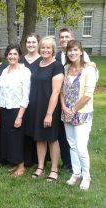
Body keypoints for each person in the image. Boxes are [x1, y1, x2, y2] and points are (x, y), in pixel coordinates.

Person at [25, 36, 64, 181]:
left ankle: (54, 169)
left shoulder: (57, 66)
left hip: (50, 108)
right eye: (43, 47)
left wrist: (49, 114)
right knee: (39, 138)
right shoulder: (37, 64)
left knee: (52, 138)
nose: (45, 50)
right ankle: (40, 166)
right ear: (39, 49)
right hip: (35, 108)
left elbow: (56, 91)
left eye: (48, 48)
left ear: (53, 50)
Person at [60, 40, 98, 191]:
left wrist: (73, 109)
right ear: (67, 53)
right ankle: (76, 173)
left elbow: (88, 95)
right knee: (72, 145)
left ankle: (86, 175)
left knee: (81, 147)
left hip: (81, 113)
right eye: (70, 51)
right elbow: (62, 91)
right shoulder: (66, 68)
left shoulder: (89, 70)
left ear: (81, 52)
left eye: (75, 50)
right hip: (67, 113)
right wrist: (64, 107)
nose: (72, 53)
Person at [55, 27, 91, 172]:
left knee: (78, 140)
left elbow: (89, 72)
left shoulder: (82, 55)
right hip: (63, 102)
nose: (64, 39)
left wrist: (92, 65)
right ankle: (67, 163)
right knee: (63, 135)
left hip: (79, 106)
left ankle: (82, 170)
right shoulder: (58, 55)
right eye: (61, 37)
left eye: (66, 37)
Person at [0, 44, 31, 176]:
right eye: (10, 54)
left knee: (17, 138)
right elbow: (1, 93)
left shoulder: (24, 71)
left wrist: (20, 116)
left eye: (15, 54)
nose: (12, 56)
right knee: (9, 138)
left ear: (19, 56)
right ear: (6, 56)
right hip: (5, 109)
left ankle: (21, 166)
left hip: (17, 110)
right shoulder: (5, 71)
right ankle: (15, 163)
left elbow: (26, 96)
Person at [19, 33, 42, 167]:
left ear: (38, 44)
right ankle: (25, 158)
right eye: (29, 42)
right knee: (24, 129)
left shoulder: (43, 60)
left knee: (36, 128)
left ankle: (38, 159)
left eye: (34, 42)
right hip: (23, 100)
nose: (31, 45)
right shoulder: (21, 60)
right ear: (25, 44)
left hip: (38, 100)